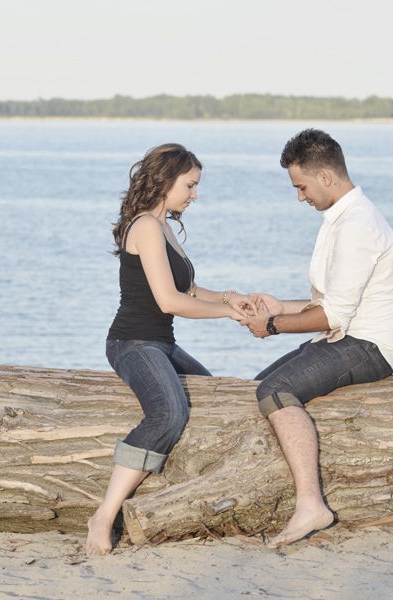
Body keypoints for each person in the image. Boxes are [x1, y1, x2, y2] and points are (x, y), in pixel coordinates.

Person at [234, 128, 393, 548]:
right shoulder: (343, 219)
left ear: (325, 176)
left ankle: (311, 505)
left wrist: (271, 327)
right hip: (343, 338)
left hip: (369, 348)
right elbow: (329, 304)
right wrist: (279, 307)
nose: (300, 197)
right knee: (259, 385)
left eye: (301, 186)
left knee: (276, 391)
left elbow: (332, 314)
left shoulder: (358, 225)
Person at [86, 143, 251, 556]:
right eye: (190, 185)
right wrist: (226, 315)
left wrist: (232, 298)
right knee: (169, 412)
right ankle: (105, 514)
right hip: (132, 343)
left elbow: (189, 289)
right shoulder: (144, 226)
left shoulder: (163, 227)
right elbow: (169, 301)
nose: (194, 195)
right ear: (166, 180)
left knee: (214, 395)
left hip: (161, 344)